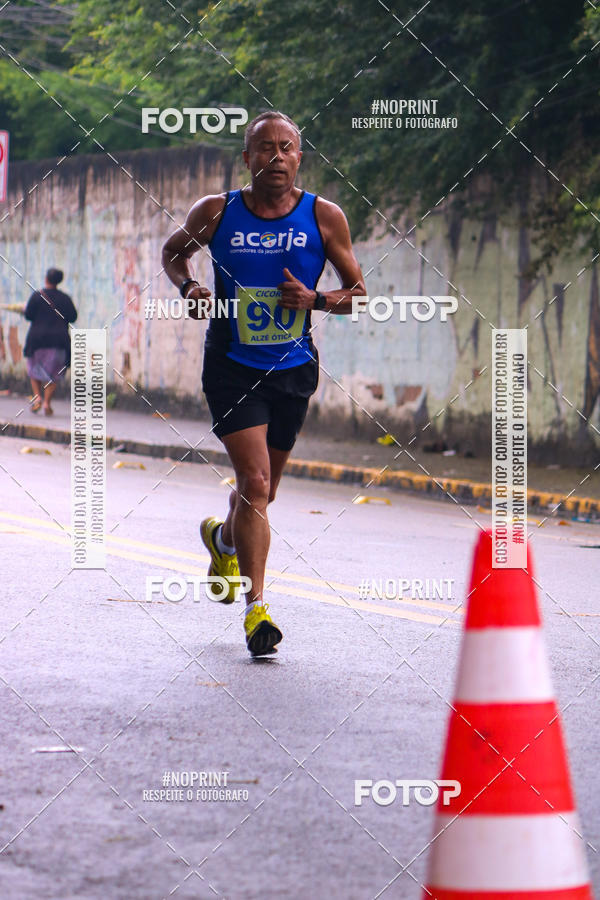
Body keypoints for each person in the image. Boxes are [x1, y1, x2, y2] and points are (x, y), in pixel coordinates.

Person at [162, 110, 366, 655]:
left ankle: (222, 538)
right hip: (231, 365)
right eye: (265, 148)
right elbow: (173, 254)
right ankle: (257, 613)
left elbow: (358, 294)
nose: (276, 157)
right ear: (246, 157)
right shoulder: (215, 212)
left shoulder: (323, 216)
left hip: (293, 369)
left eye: (287, 147)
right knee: (253, 484)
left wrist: (317, 300)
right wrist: (189, 288)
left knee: (265, 492)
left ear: (300, 157)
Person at [23, 268, 77, 415]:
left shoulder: (37, 296)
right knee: (54, 372)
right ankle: (47, 402)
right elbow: (73, 317)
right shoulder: (65, 299)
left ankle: (37, 397)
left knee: (34, 369)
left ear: (46, 279)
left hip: (37, 340)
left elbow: (28, 315)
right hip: (58, 340)